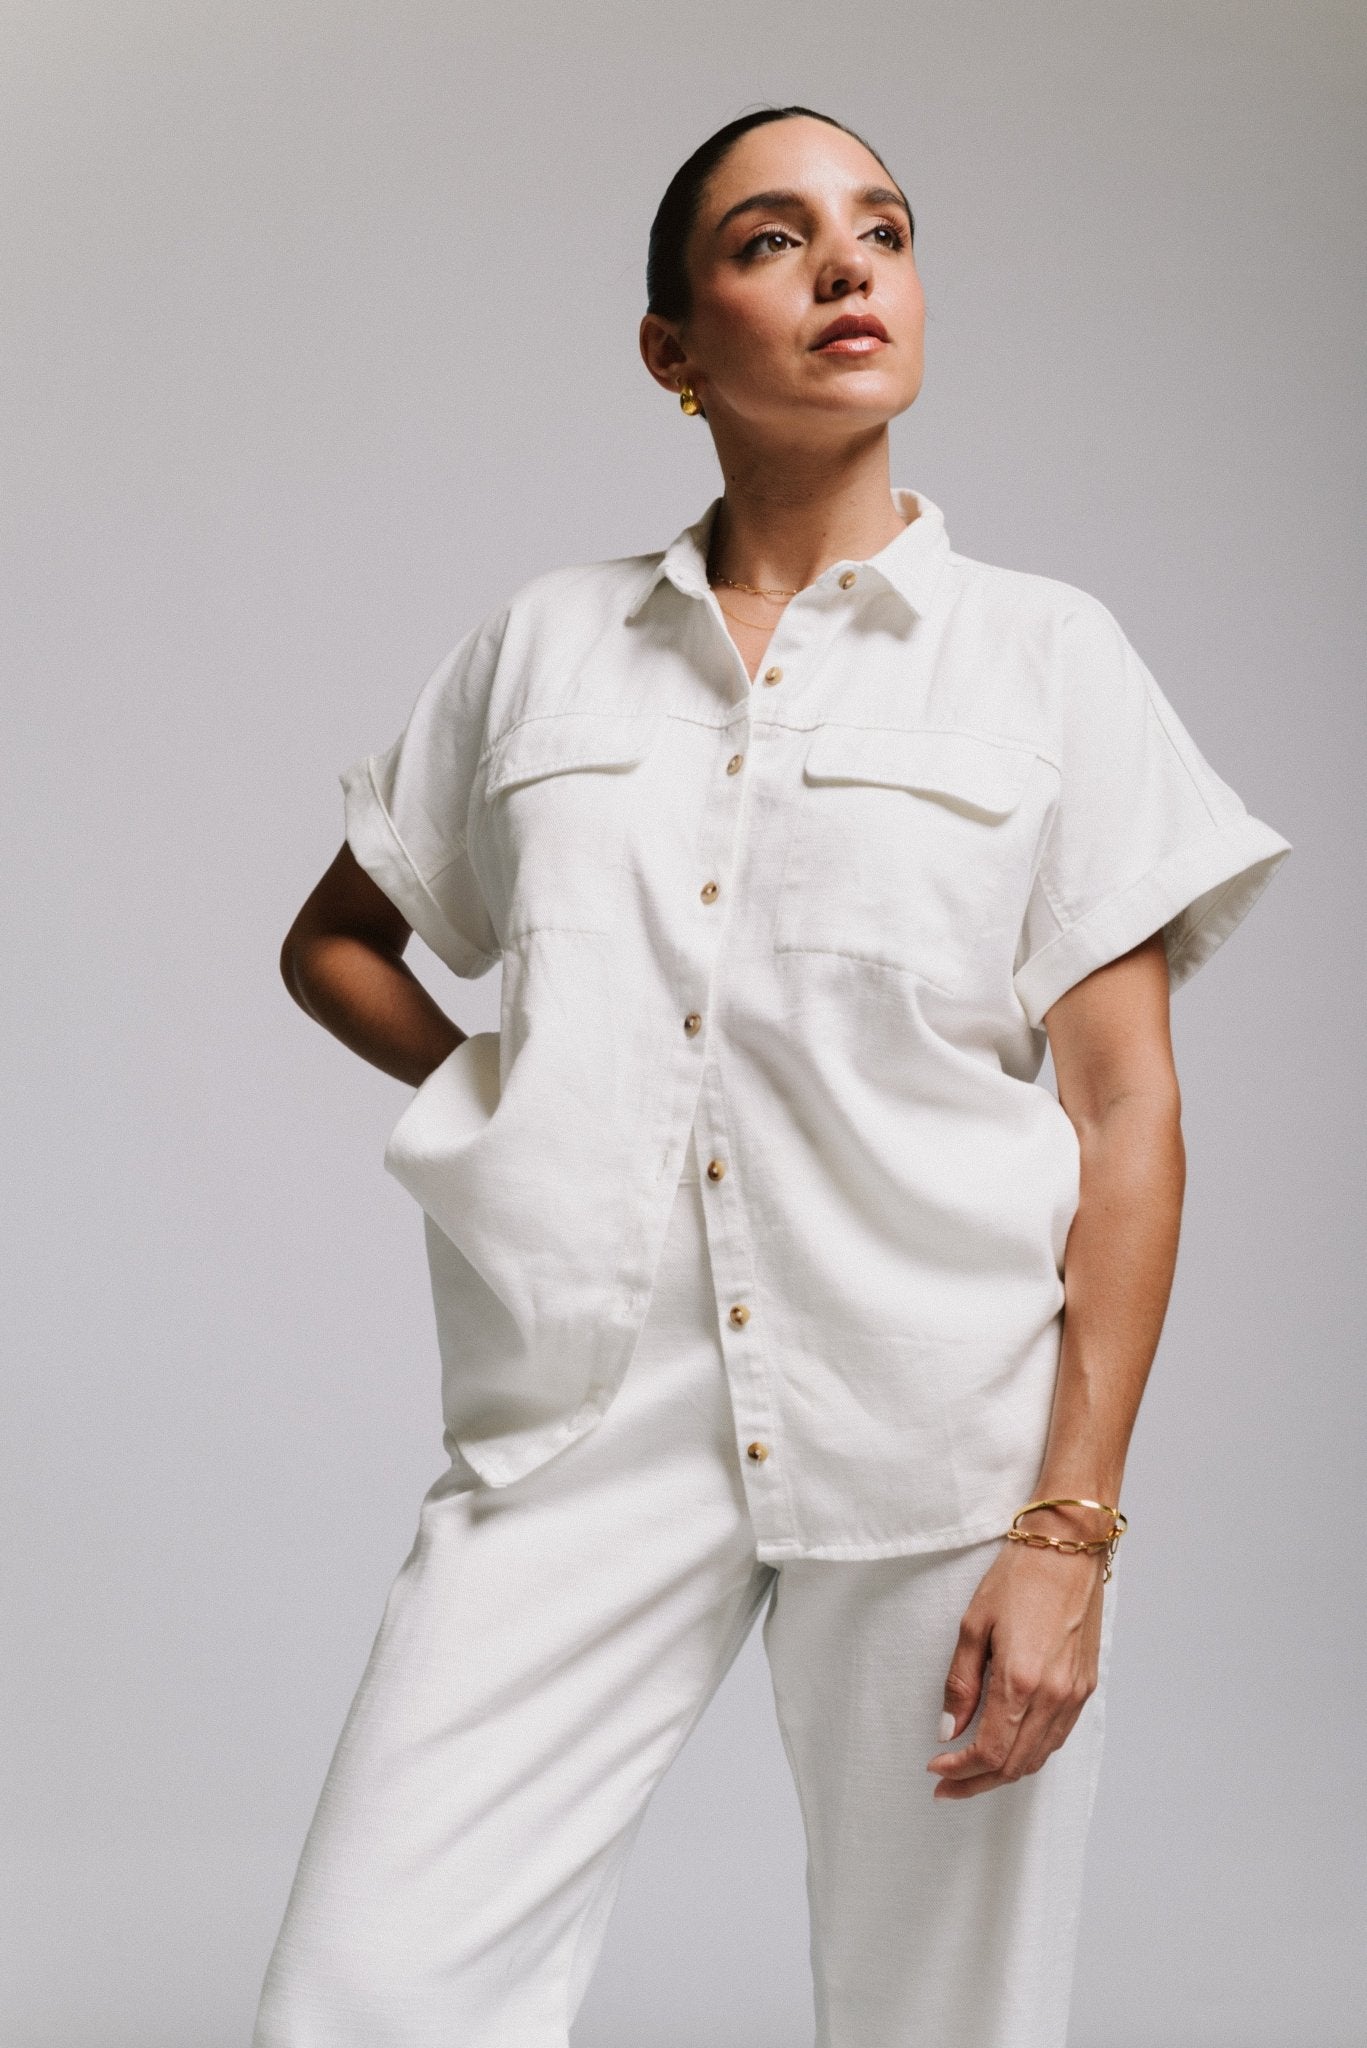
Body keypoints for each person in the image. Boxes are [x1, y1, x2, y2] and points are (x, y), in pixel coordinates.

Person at [252, 104, 1291, 2048]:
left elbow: (1126, 1112)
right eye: (770, 238)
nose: (845, 267)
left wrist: (1068, 1527)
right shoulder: (541, 650)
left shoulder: (1046, 659)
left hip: (944, 1436)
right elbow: (338, 938)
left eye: (881, 229)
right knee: (364, 1994)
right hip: (577, 1418)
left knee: (939, 2022)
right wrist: (510, 1093)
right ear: (672, 345)